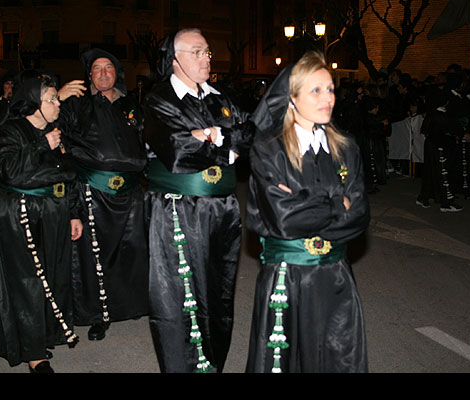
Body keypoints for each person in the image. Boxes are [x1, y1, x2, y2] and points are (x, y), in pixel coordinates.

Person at [245, 51, 370, 373]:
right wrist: (334, 204)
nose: (327, 98)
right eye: (315, 90)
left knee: (335, 359)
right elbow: (284, 220)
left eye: (330, 89)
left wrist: (303, 200)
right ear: (292, 97)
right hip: (288, 279)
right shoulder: (269, 149)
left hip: (337, 277)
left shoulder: (345, 148)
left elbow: (359, 216)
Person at [142, 28, 253, 373]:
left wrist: (213, 135)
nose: (207, 58)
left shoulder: (222, 97)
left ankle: (212, 364)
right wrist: (225, 145)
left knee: (219, 294)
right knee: (178, 297)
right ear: (174, 60)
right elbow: (176, 150)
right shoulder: (158, 99)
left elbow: (252, 135)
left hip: (223, 209)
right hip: (179, 208)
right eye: (198, 52)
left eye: (208, 51)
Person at [0, 70, 83, 373]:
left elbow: (68, 173)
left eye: (56, 98)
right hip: (17, 213)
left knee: (50, 277)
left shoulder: (55, 131)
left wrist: (73, 212)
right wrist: (42, 144)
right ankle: (33, 354)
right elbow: (10, 171)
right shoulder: (11, 131)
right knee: (26, 281)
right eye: (52, 99)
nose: (58, 104)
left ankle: (42, 336)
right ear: (32, 104)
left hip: (51, 212)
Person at [58, 48, 148, 341]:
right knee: (95, 257)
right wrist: (57, 98)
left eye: (109, 67)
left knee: (130, 253)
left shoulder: (130, 104)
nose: (104, 73)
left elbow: (146, 140)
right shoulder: (76, 104)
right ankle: (99, 315)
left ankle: (128, 306)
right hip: (93, 190)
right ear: (89, 76)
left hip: (132, 191)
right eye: (97, 69)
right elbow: (54, 137)